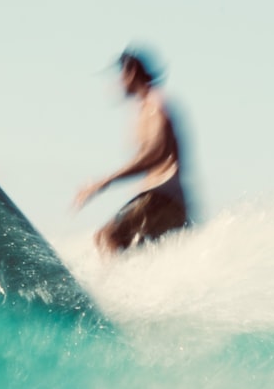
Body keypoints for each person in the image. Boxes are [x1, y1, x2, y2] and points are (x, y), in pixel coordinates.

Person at [74, 49, 191, 254]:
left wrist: (106, 181)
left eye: (120, 76)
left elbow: (156, 153)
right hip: (159, 199)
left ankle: (110, 286)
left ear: (132, 71)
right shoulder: (143, 108)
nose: (118, 83)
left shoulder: (156, 103)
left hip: (164, 199)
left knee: (107, 236)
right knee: (110, 242)